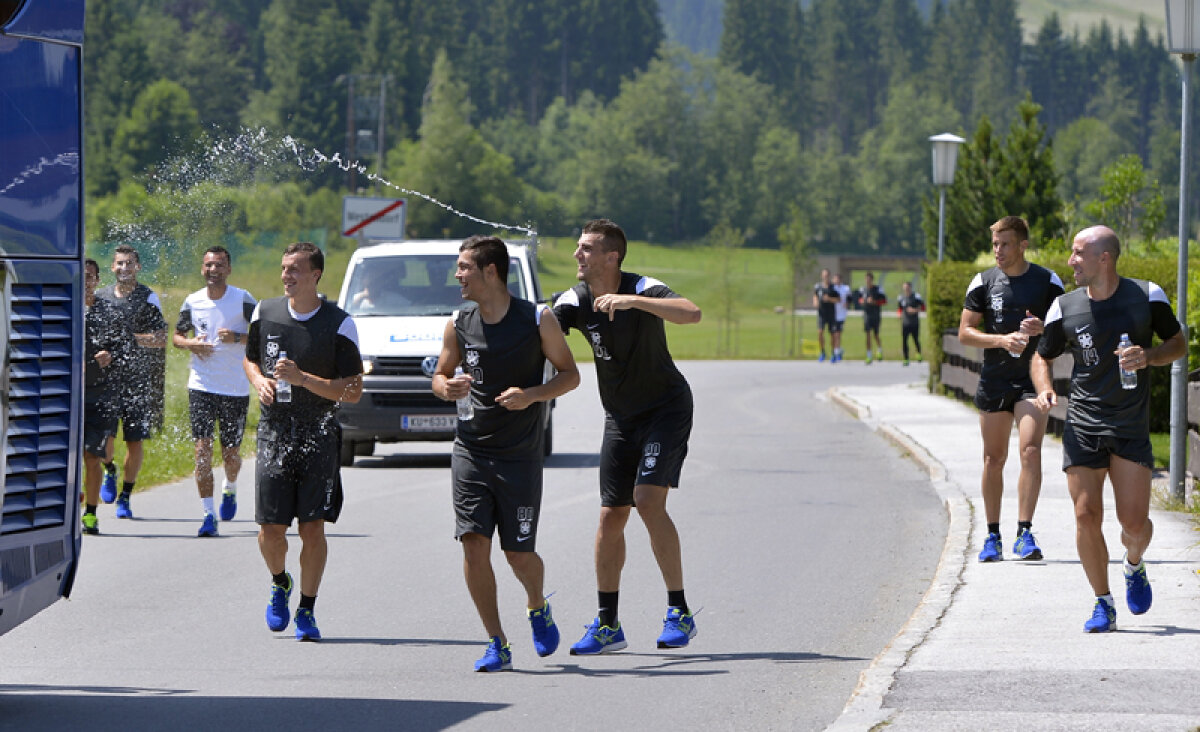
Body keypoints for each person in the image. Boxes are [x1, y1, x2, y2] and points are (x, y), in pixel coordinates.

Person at [552, 218, 703, 655]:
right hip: (620, 417)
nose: (577, 255)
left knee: (647, 500)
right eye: (578, 248)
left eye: (586, 249)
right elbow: (545, 327)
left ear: (611, 256)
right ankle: (607, 625)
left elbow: (691, 313)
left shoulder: (644, 287)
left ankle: (679, 611)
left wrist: (633, 301)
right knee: (609, 517)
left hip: (666, 408)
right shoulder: (576, 298)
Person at [432, 235, 580, 672]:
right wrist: (448, 387)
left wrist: (532, 395)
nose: (457, 275)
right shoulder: (458, 322)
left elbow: (570, 376)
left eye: (464, 267)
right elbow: (439, 378)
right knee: (474, 545)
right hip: (472, 451)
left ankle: (537, 604)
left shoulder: (537, 319)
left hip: (520, 455)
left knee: (518, 555)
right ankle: (497, 641)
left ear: (490, 271)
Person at [1031, 225, 1184, 633]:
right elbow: (1040, 356)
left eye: (1079, 253)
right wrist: (1045, 390)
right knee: (1086, 514)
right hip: (1082, 421)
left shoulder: (1146, 296)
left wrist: (1149, 356)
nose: (1071, 261)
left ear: (1105, 257)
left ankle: (1134, 564)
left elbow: (1178, 343)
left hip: (1129, 424)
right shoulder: (1064, 307)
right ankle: (1103, 602)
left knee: (1134, 525)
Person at [244, 242, 364, 641]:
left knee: (313, 530)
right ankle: (280, 581)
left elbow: (353, 391)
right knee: (270, 532)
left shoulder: (340, 323)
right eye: (284, 268)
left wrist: (304, 380)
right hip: (275, 432)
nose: (286, 276)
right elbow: (250, 359)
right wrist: (260, 380)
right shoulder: (266, 312)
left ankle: (307, 611)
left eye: (296, 269)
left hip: (319, 433)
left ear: (315, 275)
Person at [959, 216, 1065, 563]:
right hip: (995, 380)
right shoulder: (984, 281)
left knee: (1030, 451)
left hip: (1032, 380)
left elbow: (1066, 332)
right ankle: (992, 535)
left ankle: (1025, 531)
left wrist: (1043, 329)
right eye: (994, 244)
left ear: (1022, 245)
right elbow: (965, 332)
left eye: (1004, 244)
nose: (998, 251)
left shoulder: (1047, 281)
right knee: (993, 458)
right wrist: (1001, 340)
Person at [174, 246, 257, 537]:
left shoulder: (242, 298)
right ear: (202, 269)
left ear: (228, 269)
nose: (214, 270)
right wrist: (191, 345)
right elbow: (176, 337)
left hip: (235, 387)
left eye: (220, 265)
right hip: (201, 385)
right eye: (209, 265)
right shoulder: (193, 301)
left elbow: (264, 334)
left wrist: (237, 337)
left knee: (231, 455)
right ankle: (208, 515)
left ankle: (230, 487)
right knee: (202, 452)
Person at [94, 244, 168, 519]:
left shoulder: (147, 297)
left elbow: (161, 339)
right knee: (104, 438)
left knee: (135, 442)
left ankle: (126, 496)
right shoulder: (100, 297)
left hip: (138, 382)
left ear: (138, 267)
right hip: (106, 382)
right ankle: (110, 470)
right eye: (120, 263)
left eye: (130, 264)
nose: (124, 268)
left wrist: (131, 341)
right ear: (112, 267)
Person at [81, 259, 124, 535]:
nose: (84, 281)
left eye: (89, 277)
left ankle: (91, 514)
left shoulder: (109, 312)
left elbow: (125, 350)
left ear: (97, 281)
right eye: (80, 276)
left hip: (100, 395)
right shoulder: (62, 309)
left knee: (92, 457)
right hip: (67, 395)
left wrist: (111, 356)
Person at [812, 269, 841, 363]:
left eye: (827, 275)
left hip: (831, 314)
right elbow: (815, 295)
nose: (825, 277)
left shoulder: (833, 288)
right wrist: (815, 302)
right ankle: (822, 352)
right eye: (824, 275)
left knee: (832, 335)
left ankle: (833, 353)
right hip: (822, 314)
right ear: (822, 276)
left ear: (829, 276)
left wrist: (829, 299)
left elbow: (838, 300)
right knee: (820, 332)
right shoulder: (818, 287)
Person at [860, 272, 887, 364]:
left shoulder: (878, 289)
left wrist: (874, 302)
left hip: (875, 314)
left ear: (872, 280)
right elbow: (859, 300)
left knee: (876, 334)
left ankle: (879, 349)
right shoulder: (863, 289)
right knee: (867, 334)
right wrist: (864, 301)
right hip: (867, 314)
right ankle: (869, 355)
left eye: (869, 279)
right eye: (866, 279)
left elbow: (884, 301)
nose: (868, 281)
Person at [896, 281, 925, 366]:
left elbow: (923, 307)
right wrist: (899, 315)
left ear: (910, 288)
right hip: (905, 322)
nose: (906, 289)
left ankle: (918, 354)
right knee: (904, 341)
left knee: (915, 339)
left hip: (914, 322)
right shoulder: (901, 298)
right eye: (905, 288)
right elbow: (900, 308)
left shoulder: (916, 297)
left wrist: (914, 310)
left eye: (907, 288)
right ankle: (906, 358)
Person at [831, 273, 851, 362]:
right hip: (832, 313)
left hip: (841, 314)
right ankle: (838, 350)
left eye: (838, 279)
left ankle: (836, 352)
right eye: (835, 279)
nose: (836, 281)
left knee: (838, 334)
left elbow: (850, 298)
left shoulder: (846, 288)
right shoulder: (832, 288)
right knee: (833, 334)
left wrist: (847, 303)